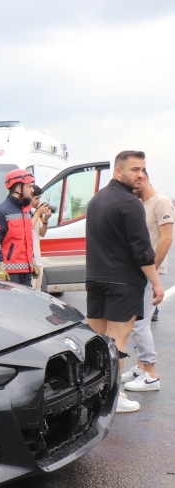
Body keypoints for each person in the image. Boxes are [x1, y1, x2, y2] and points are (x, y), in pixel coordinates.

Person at [85, 150, 164, 413]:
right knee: (117, 340)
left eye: (143, 169)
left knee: (96, 340)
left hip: (96, 278)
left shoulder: (96, 200)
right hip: (123, 282)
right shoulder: (129, 203)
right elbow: (142, 250)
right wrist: (156, 282)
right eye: (134, 170)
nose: (140, 174)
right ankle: (113, 398)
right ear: (118, 171)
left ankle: (92, 394)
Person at [121, 169, 173, 393]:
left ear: (144, 179)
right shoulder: (139, 204)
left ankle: (151, 376)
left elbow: (167, 238)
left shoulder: (161, 202)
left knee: (141, 324)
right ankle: (141, 368)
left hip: (151, 271)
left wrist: (150, 271)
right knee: (135, 322)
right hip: (139, 271)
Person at [0, 169, 37, 286]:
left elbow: (27, 240)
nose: (32, 190)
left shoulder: (26, 210)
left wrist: (32, 262)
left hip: (25, 271)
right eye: (29, 186)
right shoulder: (1, 212)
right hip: (8, 273)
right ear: (19, 189)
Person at [28, 185, 52, 290]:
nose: (39, 201)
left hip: (38, 259)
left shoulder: (34, 212)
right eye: (36, 198)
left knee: (37, 292)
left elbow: (41, 233)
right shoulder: (24, 213)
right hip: (30, 260)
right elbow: (27, 229)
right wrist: (38, 213)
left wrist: (46, 219)